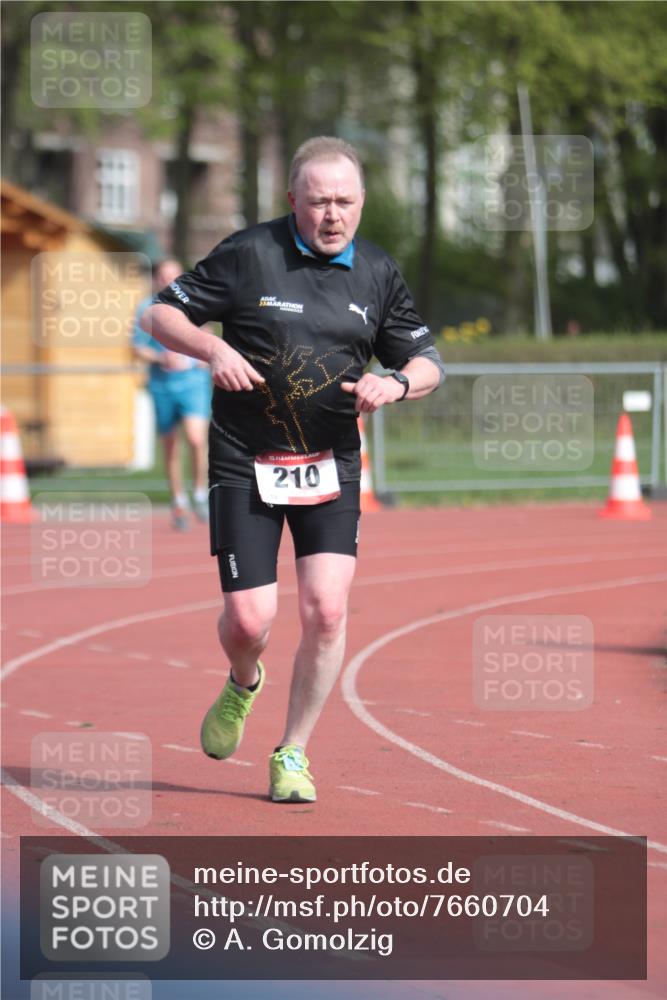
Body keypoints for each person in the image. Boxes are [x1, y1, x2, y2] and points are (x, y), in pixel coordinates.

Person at [141, 136, 444, 802]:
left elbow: (426, 362)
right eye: (318, 202)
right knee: (249, 621)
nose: (332, 215)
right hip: (244, 460)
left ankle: (292, 753)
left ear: (360, 203)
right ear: (292, 202)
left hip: (328, 461)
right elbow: (158, 313)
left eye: (344, 202)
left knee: (326, 611)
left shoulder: (377, 272)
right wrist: (209, 348)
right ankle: (243, 681)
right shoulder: (250, 255)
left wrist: (393, 384)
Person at [132, 259, 211, 531]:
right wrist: (159, 357)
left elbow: (208, 335)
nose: (168, 280)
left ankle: (201, 494)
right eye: (164, 275)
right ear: (156, 278)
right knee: (170, 445)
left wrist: (205, 355)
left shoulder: (192, 302)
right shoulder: (146, 307)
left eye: (173, 275)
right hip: (163, 384)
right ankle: (179, 501)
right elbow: (137, 347)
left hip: (193, 383)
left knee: (196, 438)